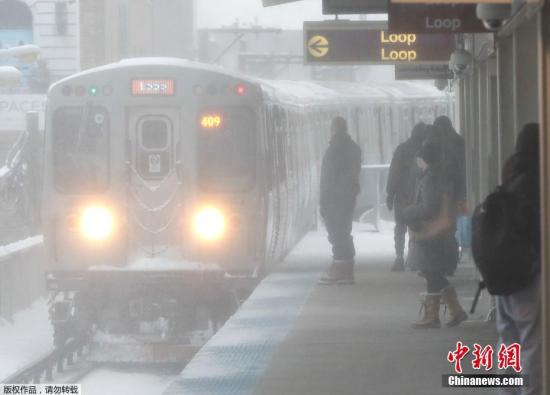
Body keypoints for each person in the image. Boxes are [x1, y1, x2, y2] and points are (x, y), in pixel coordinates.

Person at [400, 136, 468, 329]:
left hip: (431, 233)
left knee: (431, 272)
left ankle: (433, 315)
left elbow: (429, 208)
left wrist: (409, 211)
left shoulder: (431, 178)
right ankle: (455, 311)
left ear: (425, 159)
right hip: (438, 233)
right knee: (432, 272)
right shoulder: (441, 174)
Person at [495, 123, 541, 395]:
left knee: (508, 338)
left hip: (502, 269)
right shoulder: (538, 178)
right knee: (533, 341)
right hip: (527, 273)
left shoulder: (511, 171)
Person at [318, 116, 362, 285]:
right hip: (349, 197)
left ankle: (339, 270)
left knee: (337, 233)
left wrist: (323, 201)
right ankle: (346, 269)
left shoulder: (333, 150)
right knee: (344, 231)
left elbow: (327, 179)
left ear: (334, 129)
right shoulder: (355, 149)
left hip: (335, 199)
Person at [386, 122, 427, 272]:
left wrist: (390, 193)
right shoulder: (425, 151)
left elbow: (394, 172)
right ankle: (417, 257)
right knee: (419, 225)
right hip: (420, 195)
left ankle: (399, 257)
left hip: (402, 195)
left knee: (400, 226)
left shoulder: (402, 149)